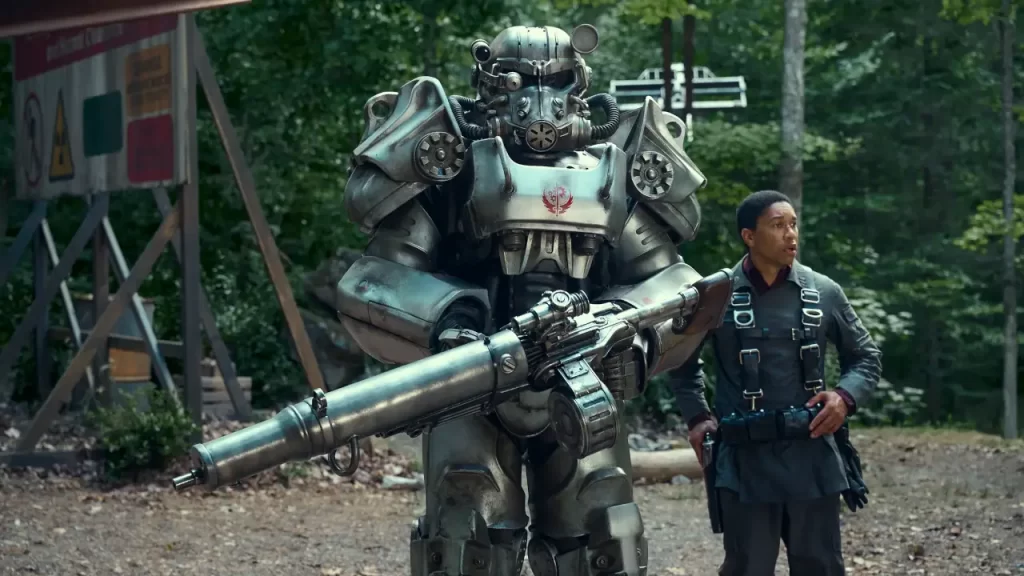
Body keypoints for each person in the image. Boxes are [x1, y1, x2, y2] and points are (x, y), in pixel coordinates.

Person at [669, 190, 882, 576]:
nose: (791, 234)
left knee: (821, 568)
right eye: (778, 225)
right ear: (749, 236)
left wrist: (844, 398)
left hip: (812, 456)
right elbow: (681, 364)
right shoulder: (715, 295)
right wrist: (698, 417)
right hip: (744, 461)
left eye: (793, 224)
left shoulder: (824, 291)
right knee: (747, 568)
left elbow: (866, 357)